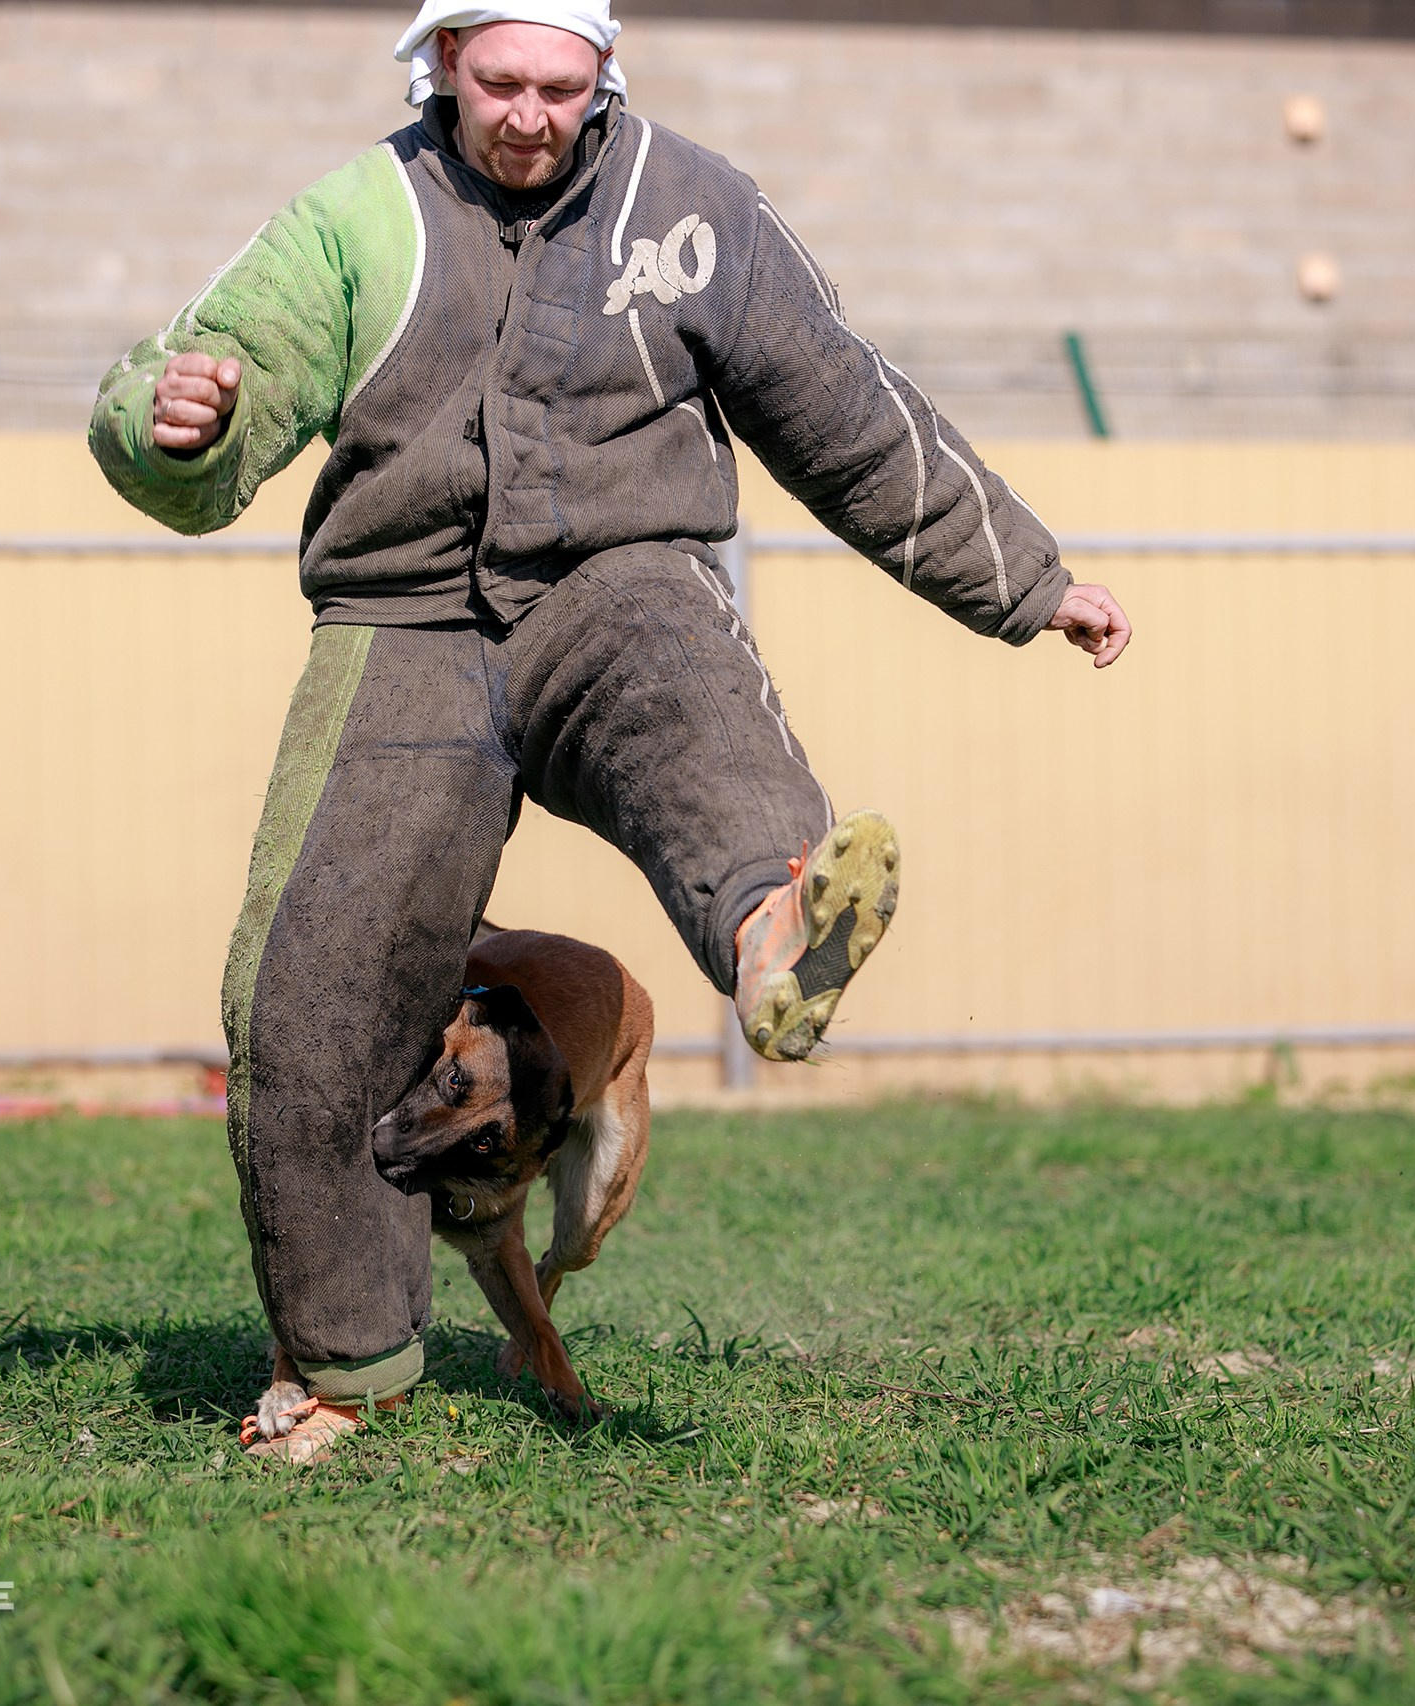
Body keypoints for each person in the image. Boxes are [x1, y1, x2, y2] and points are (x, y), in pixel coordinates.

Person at [90, 0, 1131, 1461]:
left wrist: (1027, 581)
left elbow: (847, 410)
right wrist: (172, 422)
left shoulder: (696, 213)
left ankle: (776, 931)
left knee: (686, 689)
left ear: (605, 77)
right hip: (403, 627)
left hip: (617, 581)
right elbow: (213, 369)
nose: (527, 114)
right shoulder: (355, 220)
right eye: (499, 81)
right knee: (307, 996)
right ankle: (341, 1368)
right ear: (441, 62)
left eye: (560, 88)